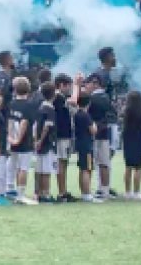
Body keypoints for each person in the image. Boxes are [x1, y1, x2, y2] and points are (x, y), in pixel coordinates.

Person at [94, 47, 119, 198]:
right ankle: (102, 187)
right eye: (113, 55)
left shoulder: (108, 74)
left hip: (111, 118)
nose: (115, 58)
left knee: (110, 151)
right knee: (105, 152)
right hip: (106, 120)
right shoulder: (100, 75)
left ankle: (104, 186)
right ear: (107, 57)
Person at [8, 76, 37, 205]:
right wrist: (18, 139)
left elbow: (9, 122)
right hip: (24, 141)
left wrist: (11, 138)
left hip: (12, 139)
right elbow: (25, 122)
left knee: (14, 166)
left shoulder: (11, 104)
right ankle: (20, 195)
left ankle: (11, 190)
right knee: (23, 168)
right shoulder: (30, 105)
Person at [85, 72, 113, 200]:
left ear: (95, 83)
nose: (87, 86)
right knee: (104, 163)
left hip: (93, 133)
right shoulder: (106, 97)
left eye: (88, 83)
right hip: (105, 133)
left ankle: (90, 191)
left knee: (91, 163)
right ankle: (104, 190)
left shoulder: (91, 99)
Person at [54, 73, 79, 202]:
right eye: (68, 86)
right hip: (61, 135)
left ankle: (63, 191)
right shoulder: (57, 97)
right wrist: (76, 85)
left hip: (65, 134)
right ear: (61, 85)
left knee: (64, 163)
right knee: (61, 163)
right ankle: (61, 192)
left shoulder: (61, 97)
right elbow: (74, 102)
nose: (69, 89)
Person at [122, 91, 141, 201]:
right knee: (138, 167)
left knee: (128, 167)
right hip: (139, 139)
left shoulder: (126, 111)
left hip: (127, 140)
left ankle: (127, 192)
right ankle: (136, 192)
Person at [0, 51, 15, 195]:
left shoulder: (11, 74)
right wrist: (1, 116)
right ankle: (7, 186)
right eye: (12, 57)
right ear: (7, 60)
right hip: (7, 118)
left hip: (12, 116)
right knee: (8, 151)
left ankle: (9, 184)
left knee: (11, 152)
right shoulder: (1, 76)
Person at [74, 92, 101, 203]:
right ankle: (87, 194)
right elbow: (93, 130)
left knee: (82, 169)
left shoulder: (76, 114)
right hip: (87, 144)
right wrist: (94, 124)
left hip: (80, 143)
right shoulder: (86, 115)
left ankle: (84, 192)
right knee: (87, 169)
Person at [34, 82, 57, 203]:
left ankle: (38, 193)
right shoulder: (50, 109)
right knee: (46, 170)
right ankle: (46, 193)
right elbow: (47, 127)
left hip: (38, 143)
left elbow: (36, 126)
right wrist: (41, 140)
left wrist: (36, 140)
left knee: (39, 169)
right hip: (47, 143)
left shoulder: (40, 107)